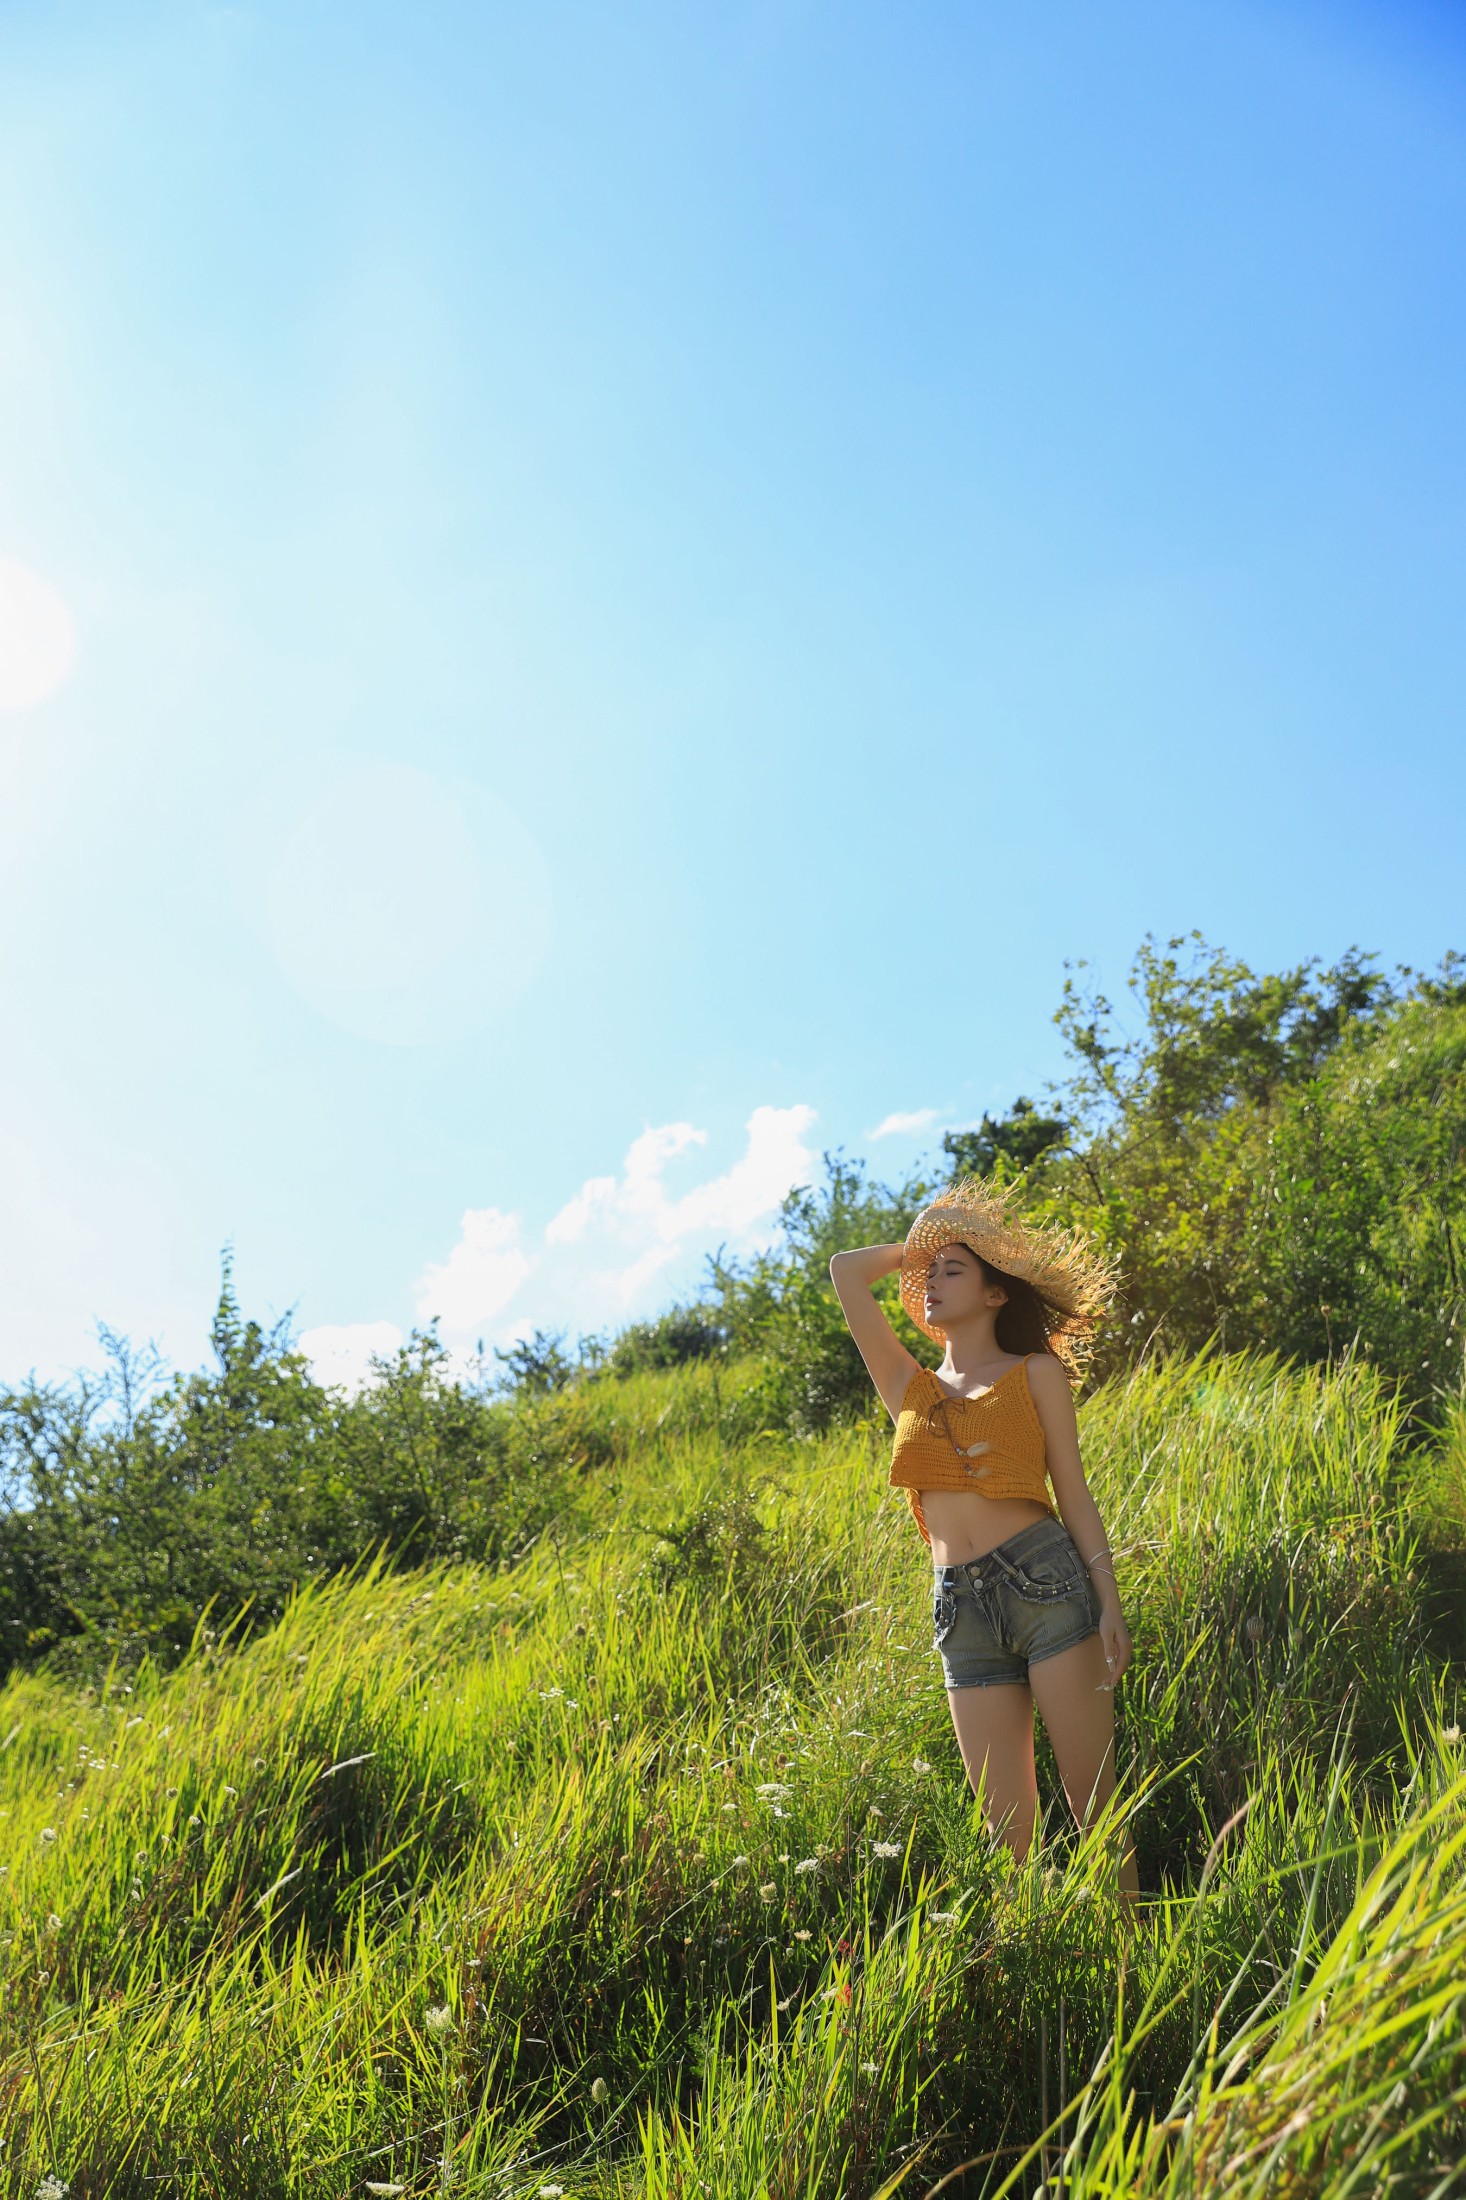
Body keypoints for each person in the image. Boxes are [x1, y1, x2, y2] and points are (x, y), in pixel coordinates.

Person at [830, 1177, 1137, 1895]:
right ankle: (1040, 1982)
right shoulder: (907, 1385)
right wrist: (929, 1244)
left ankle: (1133, 1961)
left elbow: (1074, 1491)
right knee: (1007, 1839)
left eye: (953, 1270)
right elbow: (846, 1270)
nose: (931, 1280)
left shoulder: (1035, 1372)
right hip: (959, 1607)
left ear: (997, 1293)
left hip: (1046, 1583)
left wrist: (1110, 1599)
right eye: (926, 1273)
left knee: (1095, 1807)